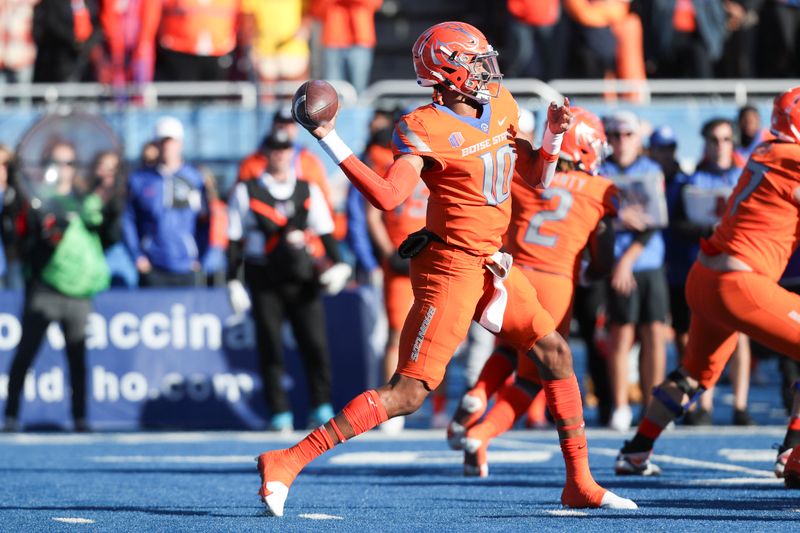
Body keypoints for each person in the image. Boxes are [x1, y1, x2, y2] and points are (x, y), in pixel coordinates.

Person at [255, 21, 636, 516]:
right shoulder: (421, 126)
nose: (486, 70)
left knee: (556, 354)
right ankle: (286, 459)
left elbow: (538, 178)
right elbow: (390, 197)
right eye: (475, 61)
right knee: (409, 392)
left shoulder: (500, 105)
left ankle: (579, 482)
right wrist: (329, 136)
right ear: (448, 69)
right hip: (450, 264)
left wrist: (553, 137)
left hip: (491, 262)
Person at [614, 87, 800, 490]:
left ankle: (636, 449)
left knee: (694, 374)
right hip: (739, 281)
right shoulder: (790, 158)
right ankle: (794, 452)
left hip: (708, 278)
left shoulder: (768, 152)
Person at [448, 108, 619, 476]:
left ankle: (477, 394)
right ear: (586, 148)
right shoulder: (602, 190)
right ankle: (482, 434)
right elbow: (604, 258)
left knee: (509, 348)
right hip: (558, 283)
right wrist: (589, 273)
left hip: (516, 273)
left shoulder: (526, 178)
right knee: (532, 377)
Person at [226, 129, 351, 433]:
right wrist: (233, 280)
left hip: (301, 276)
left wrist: (340, 266)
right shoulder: (247, 190)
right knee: (270, 345)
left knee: (315, 343)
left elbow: (325, 233)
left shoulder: (307, 190)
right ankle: (279, 410)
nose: (280, 153)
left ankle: (320, 405)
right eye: (275, 147)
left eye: (285, 148)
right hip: (264, 275)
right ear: (265, 152)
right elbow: (234, 240)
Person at [4, 141, 111, 432]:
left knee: (77, 358)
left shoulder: (83, 200)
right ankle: (11, 415)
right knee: (26, 353)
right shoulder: (35, 200)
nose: (63, 170)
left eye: (69, 163)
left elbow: (108, 230)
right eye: (56, 162)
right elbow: (20, 241)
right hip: (45, 288)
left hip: (79, 292)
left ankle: (80, 418)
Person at [667, 118, 754, 426]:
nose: (721, 146)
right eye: (715, 140)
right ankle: (703, 402)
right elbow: (674, 223)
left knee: (739, 335)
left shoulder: (747, 177)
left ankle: (740, 405)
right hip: (702, 266)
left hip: (737, 267)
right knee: (699, 336)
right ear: (704, 143)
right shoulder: (691, 180)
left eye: (727, 139)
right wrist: (709, 230)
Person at [601, 111, 670, 432]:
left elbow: (655, 220)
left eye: (627, 134)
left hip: (646, 261)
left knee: (655, 334)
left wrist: (627, 258)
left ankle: (651, 407)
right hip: (617, 264)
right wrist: (619, 221)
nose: (621, 141)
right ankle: (620, 406)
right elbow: (594, 220)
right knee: (622, 334)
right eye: (614, 135)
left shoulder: (650, 169)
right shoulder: (600, 170)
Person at [122, 116, 210, 287]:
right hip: (153, 266)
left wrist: (202, 256)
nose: (167, 147)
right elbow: (128, 220)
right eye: (162, 142)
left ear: (180, 143)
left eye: (171, 141)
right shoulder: (140, 180)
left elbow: (205, 221)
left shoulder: (194, 179)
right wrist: (137, 256)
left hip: (187, 266)